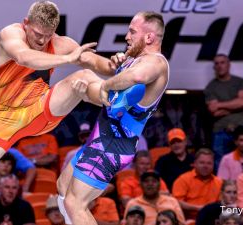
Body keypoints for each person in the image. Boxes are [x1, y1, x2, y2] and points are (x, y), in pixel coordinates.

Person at [0, 1, 114, 224]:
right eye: (37, 34)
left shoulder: (61, 44)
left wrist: (116, 66)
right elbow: (25, 57)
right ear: (26, 24)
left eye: (48, 35)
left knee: (84, 77)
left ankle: (113, 100)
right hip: (3, 120)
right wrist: (67, 59)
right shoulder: (10, 34)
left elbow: (92, 60)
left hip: (39, 111)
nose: (43, 40)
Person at [58, 11, 170, 225]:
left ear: (149, 38)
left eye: (132, 32)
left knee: (75, 203)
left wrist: (106, 84)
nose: (127, 37)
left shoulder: (157, 63)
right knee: (63, 187)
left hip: (113, 145)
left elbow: (136, 77)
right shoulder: (135, 61)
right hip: (101, 138)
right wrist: (118, 65)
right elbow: (112, 102)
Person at [204, 54, 243, 168]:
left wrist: (220, 105)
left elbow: (242, 102)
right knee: (220, 166)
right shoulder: (210, 87)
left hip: (240, 131)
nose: (219, 66)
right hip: (220, 132)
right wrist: (237, 107)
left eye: (222, 62)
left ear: (229, 64)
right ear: (214, 67)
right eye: (216, 63)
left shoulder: (240, 82)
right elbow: (214, 111)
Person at [172, 148, 222, 220]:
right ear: (194, 163)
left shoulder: (219, 182)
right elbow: (176, 202)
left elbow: (222, 204)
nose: (205, 166)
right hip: (188, 220)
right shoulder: (183, 180)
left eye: (209, 163)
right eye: (202, 163)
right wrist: (199, 208)